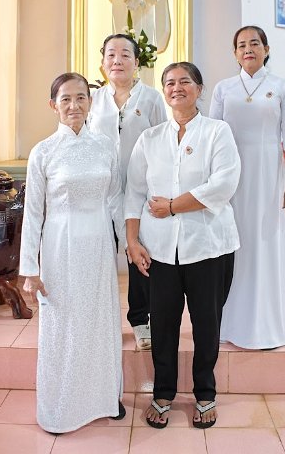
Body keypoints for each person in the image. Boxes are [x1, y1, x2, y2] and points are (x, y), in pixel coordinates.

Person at [125, 62, 240, 429]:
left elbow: (224, 184)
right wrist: (132, 240)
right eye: (170, 82)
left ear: (199, 89)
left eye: (185, 81)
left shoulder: (218, 132)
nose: (177, 87)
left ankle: (205, 393)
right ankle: (163, 393)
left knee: (207, 323)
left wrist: (174, 206)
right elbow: (134, 192)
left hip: (209, 247)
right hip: (159, 250)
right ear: (164, 91)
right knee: (162, 324)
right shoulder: (150, 138)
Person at [19, 72, 125, 433]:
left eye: (81, 98)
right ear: (53, 105)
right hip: (60, 246)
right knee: (63, 323)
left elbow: (116, 199)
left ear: (90, 103)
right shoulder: (44, 152)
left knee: (99, 319)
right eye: (66, 99)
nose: (74, 105)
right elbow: (33, 214)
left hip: (98, 243)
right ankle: (61, 408)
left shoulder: (105, 146)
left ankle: (104, 398)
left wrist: (129, 242)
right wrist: (30, 269)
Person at [209, 26, 285, 349]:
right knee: (233, 244)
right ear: (235, 53)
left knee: (264, 241)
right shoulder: (224, 89)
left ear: (266, 49)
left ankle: (267, 325)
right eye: (241, 45)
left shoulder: (281, 87)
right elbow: (212, 134)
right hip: (230, 176)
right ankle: (228, 323)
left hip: (268, 178)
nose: (248, 49)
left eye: (254, 43)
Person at [88, 33, 167, 350]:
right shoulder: (93, 99)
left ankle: (140, 321)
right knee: (99, 255)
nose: (117, 60)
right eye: (111, 54)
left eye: (124, 54)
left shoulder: (151, 98)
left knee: (140, 255)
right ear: (103, 62)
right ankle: (100, 321)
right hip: (101, 191)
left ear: (137, 62)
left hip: (141, 191)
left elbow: (163, 143)